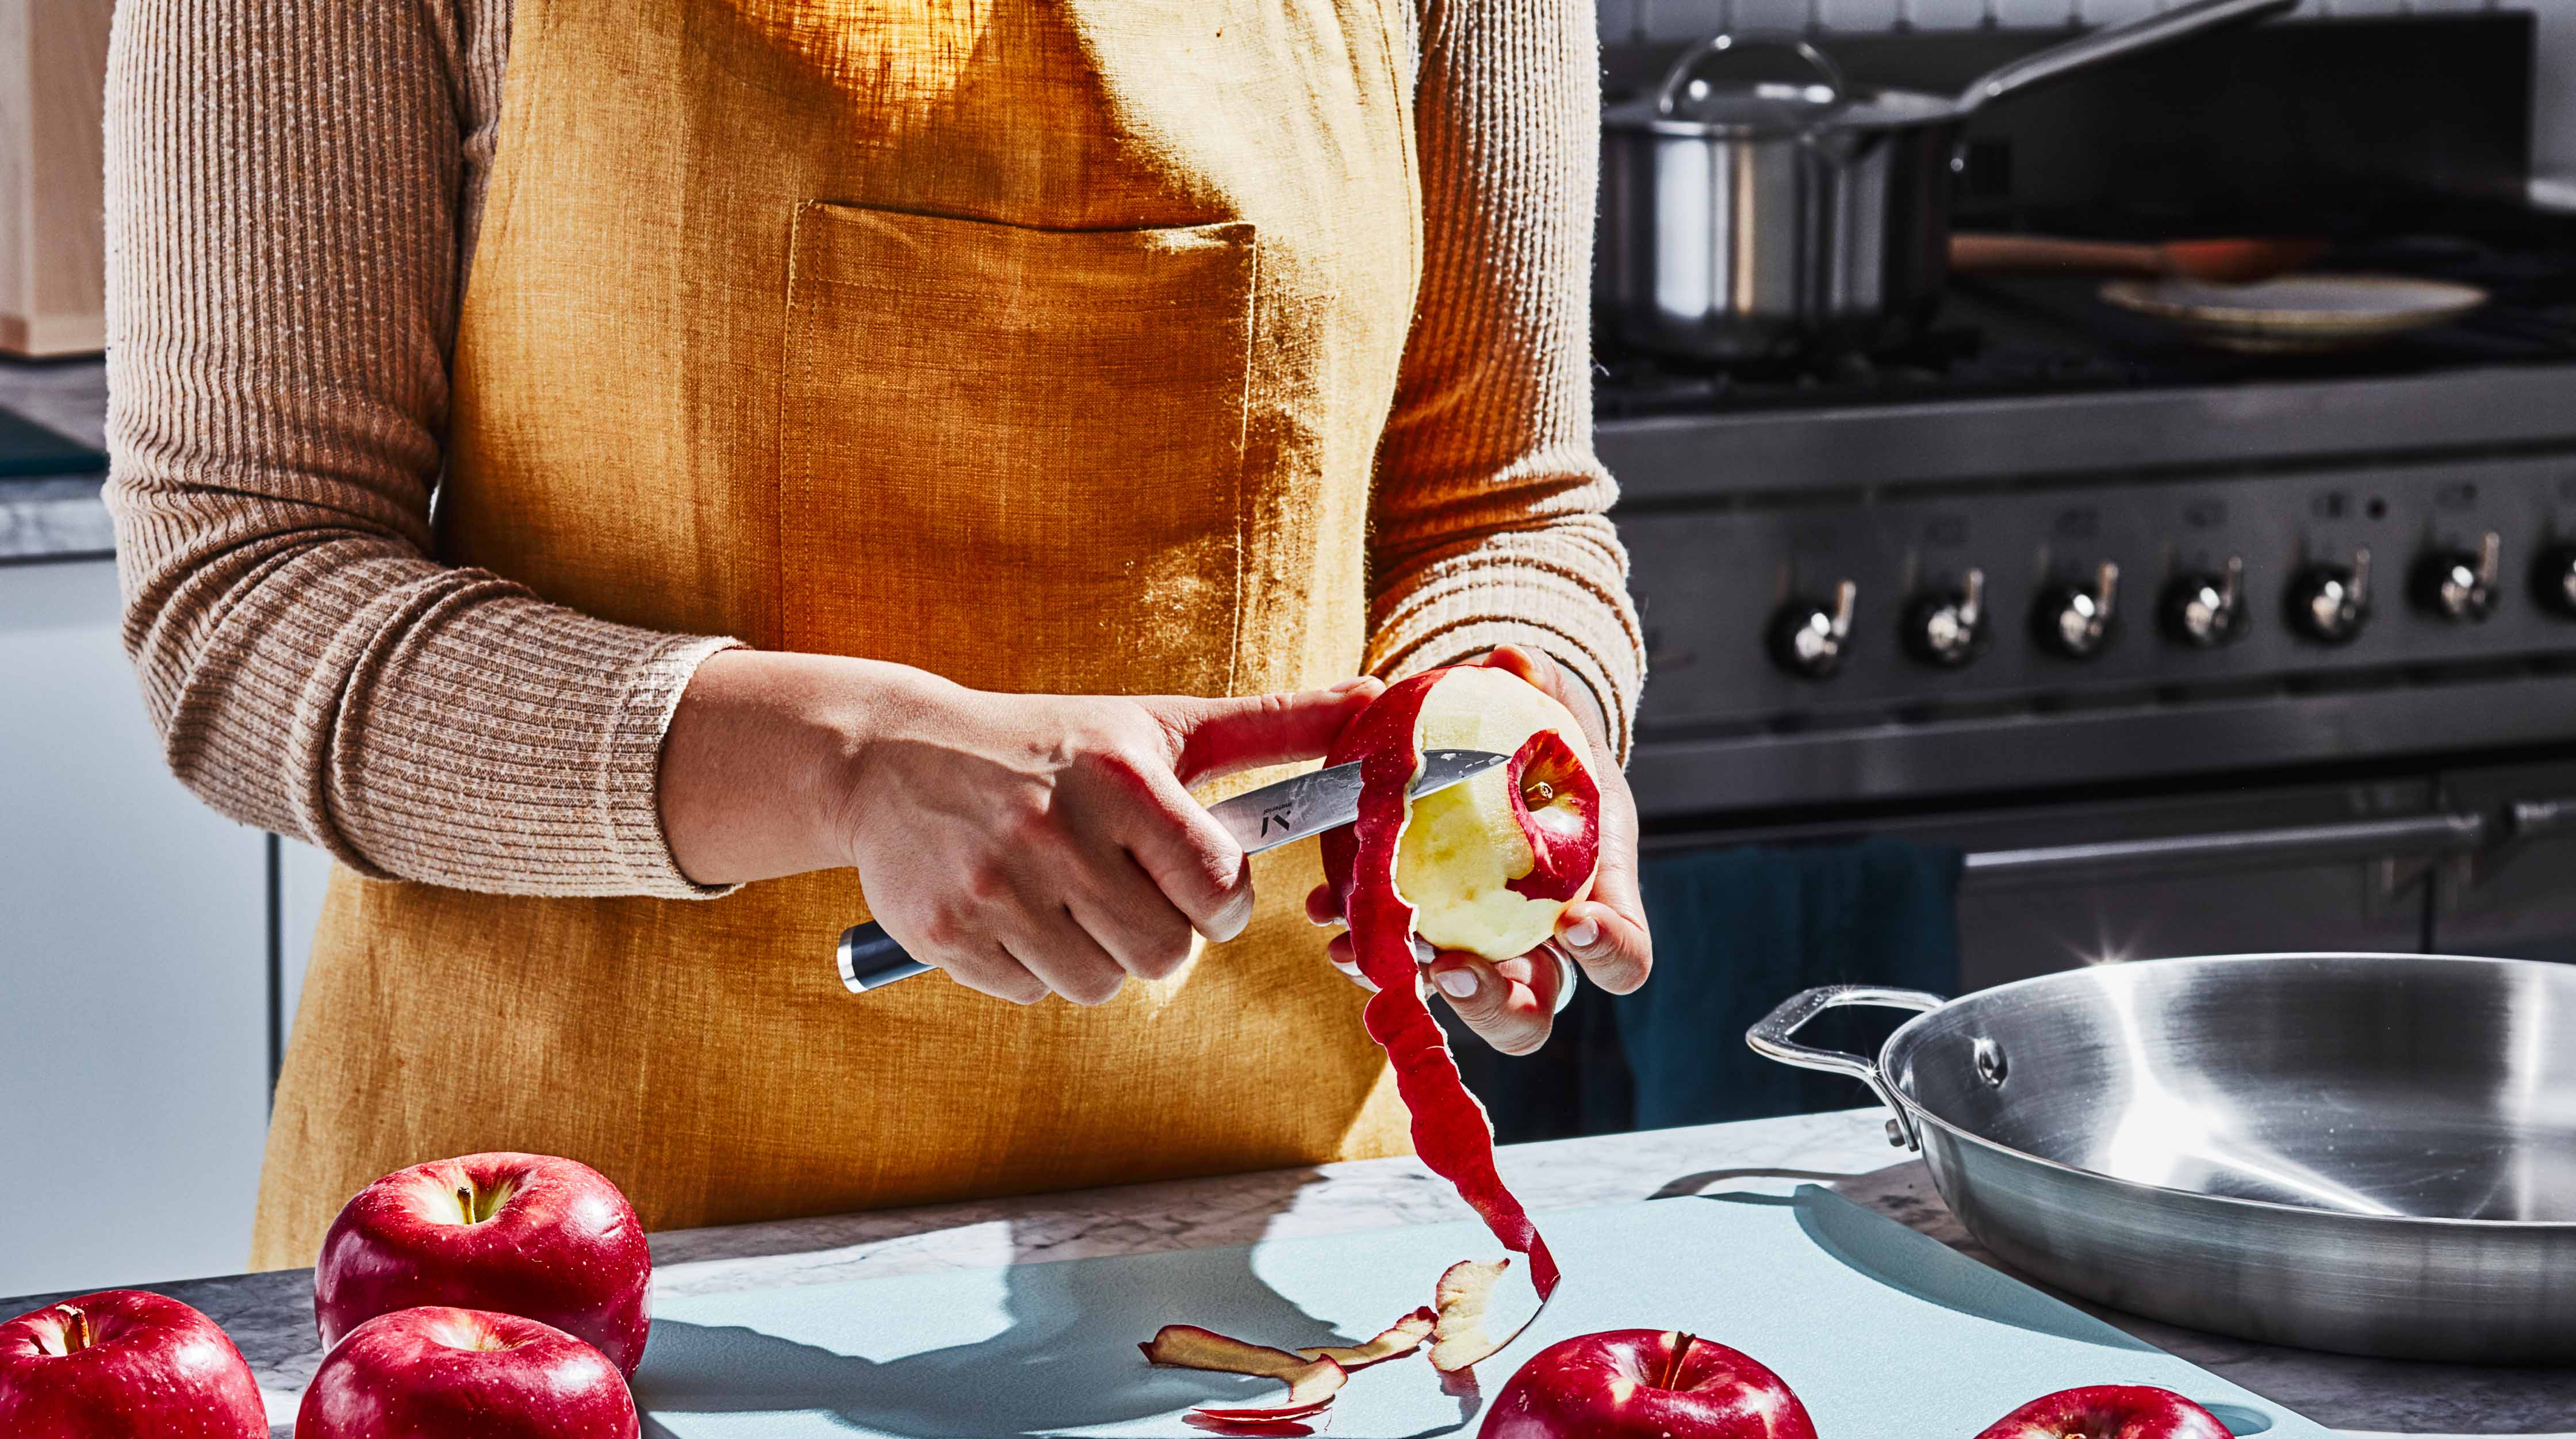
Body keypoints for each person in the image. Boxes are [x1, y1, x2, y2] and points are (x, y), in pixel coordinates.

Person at [106, 0, 1650, 1269]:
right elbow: (247, 595)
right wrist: (854, 764)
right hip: (545, 1285)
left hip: (1262, 1259)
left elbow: (1500, 515)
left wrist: (1513, 729)